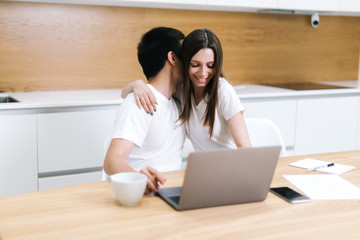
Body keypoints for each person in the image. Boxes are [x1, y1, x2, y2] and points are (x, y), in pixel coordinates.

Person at [122, 28, 252, 152]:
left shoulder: (223, 91)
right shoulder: (181, 90)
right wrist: (137, 84)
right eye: (195, 65)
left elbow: (245, 146)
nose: (203, 73)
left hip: (232, 167)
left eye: (210, 66)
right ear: (185, 62)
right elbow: (125, 94)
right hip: (206, 169)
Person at [103, 27, 186, 194]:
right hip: (147, 196)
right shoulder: (140, 102)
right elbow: (112, 160)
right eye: (187, 54)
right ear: (173, 58)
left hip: (175, 193)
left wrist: (135, 84)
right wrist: (140, 180)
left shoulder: (179, 100)